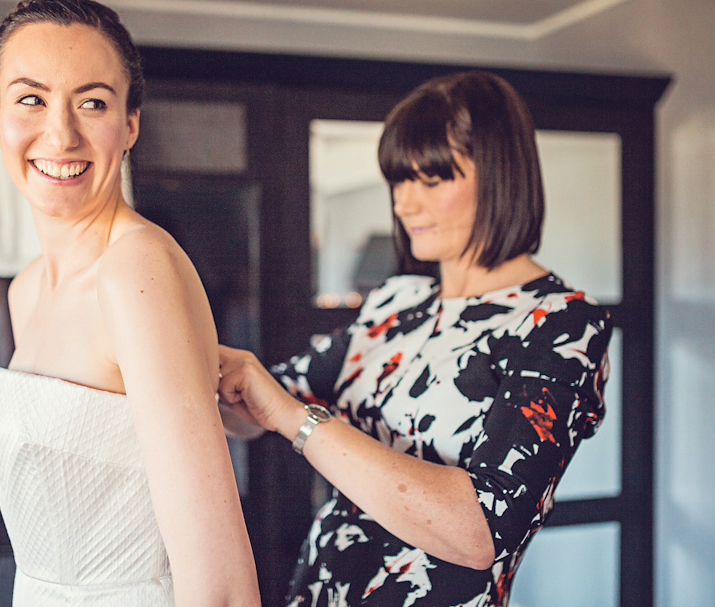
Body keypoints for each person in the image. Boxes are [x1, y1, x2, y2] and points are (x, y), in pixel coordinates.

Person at [218, 71, 612, 606]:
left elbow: (480, 532)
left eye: (431, 180)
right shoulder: (396, 301)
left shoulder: (561, 325)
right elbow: (256, 400)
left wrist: (294, 418)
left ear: (501, 175)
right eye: (399, 181)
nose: (404, 205)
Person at [0, 0, 260, 607]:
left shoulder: (136, 268)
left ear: (129, 125)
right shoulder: (24, 290)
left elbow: (222, 582)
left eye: (93, 103)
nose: (61, 133)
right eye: (31, 98)